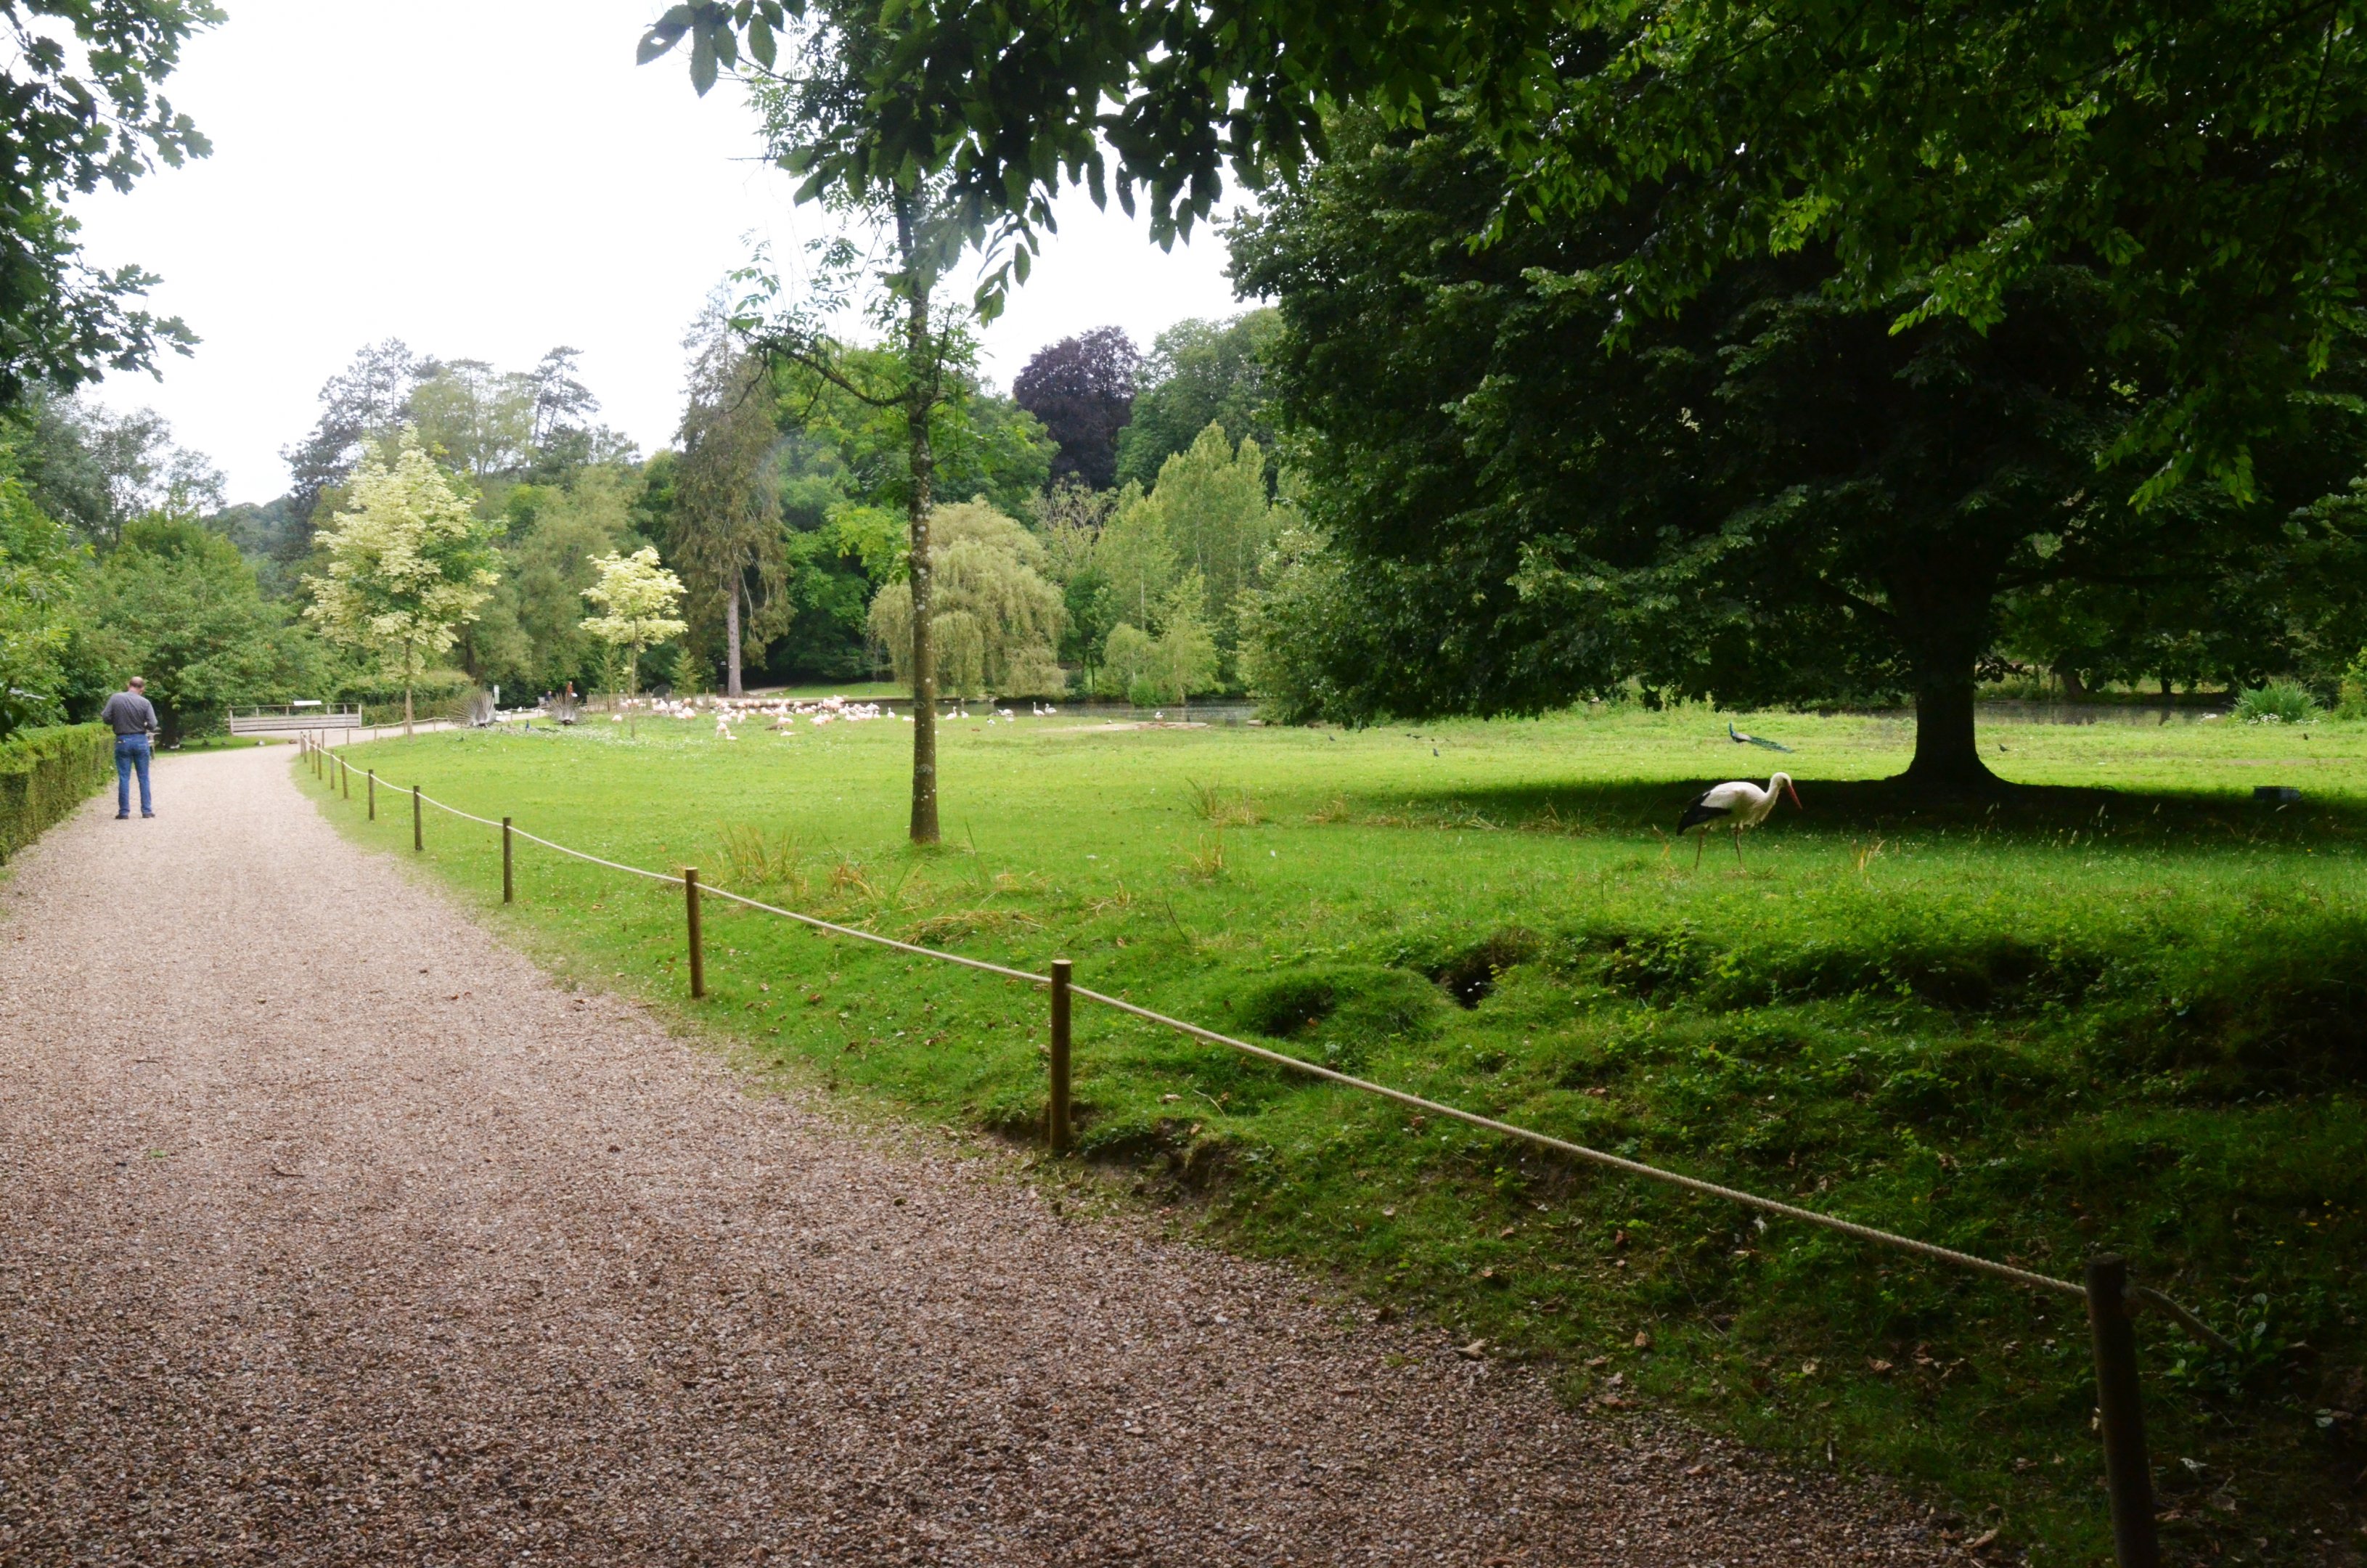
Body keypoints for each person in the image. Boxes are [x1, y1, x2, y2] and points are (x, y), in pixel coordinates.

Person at [99, 676, 160, 820]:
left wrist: (118, 720)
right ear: (142, 689)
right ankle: (146, 811)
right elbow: (153, 724)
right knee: (143, 777)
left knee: (124, 777)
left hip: (122, 740)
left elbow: (106, 718)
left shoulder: (116, 698)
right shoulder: (145, 702)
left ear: (129, 685)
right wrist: (144, 724)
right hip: (140, 740)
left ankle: (124, 812)